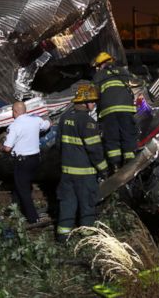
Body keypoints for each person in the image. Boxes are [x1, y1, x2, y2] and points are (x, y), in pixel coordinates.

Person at [56, 85, 108, 242]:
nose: (94, 105)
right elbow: (95, 150)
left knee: (67, 204)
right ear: (86, 103)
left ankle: (62, 237)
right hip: (85, 175)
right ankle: (86, 240)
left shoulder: (64, 119)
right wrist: (104, 170)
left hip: (66, 173)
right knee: (87, 206)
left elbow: (58, 145)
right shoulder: (88, 122)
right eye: (93, 102)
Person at [2, 101, 51, 224]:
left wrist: (2, 147)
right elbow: (47, 125)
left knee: (23, 190)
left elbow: (7, 148)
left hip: (22, 161)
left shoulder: (14, 126)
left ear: (15, 112)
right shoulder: (35, 120)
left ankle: (33, 218)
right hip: (35, 160)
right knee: (21, 185)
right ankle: (14, 208)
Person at [91, 51, 137, 171]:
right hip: (126, 109)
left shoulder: (99, 75)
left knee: (112, 137)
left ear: (101, 64)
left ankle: (115, 166)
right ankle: (130, 162)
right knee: (128, 135)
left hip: (108, 111)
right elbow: (136, 84)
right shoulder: (124, 72)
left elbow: (93, 95)